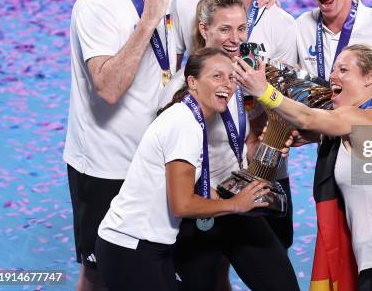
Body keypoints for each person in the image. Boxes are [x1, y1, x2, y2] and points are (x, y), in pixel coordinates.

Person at [234, 44, 372, 291]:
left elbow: (308, 116)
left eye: (344, 70)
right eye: (333, 69)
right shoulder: (366, 124)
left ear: (369, 77)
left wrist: (264, 91)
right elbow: (320, 128)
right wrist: (309, 136)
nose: (333, 76)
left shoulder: (370, 118)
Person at [63, 0, 185, 290]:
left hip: (152, 162)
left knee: (159, 262)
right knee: (98, 273)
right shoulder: (98, 3)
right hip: (104, 167)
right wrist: (148, 19)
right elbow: (108, 87)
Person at [95, 48, 270, 291]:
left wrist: (234, 195)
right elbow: (182, 205)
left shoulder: (188, 118)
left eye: (231, 77)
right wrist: (236, 204)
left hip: (146, 246)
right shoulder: (184, 124)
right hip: (132, 248)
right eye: (217, 76)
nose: (227, 85)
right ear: (192, 82)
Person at [172, 0, 297, 249]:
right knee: (208, 273)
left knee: (274, 266)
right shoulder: (187, 6)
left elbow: (286, 101)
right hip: (204, 172)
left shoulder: (280, 22)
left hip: (264, 170)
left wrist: (261, 140)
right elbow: (170, 78)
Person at [159, 0, 299, 290]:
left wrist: (270, 148)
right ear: (203, 29)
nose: (235, 39)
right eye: (225, 29)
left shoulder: (236, 81)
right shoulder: (181, 90)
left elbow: (241, 143)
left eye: (241, 29)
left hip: (237, 202)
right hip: (197, 216)